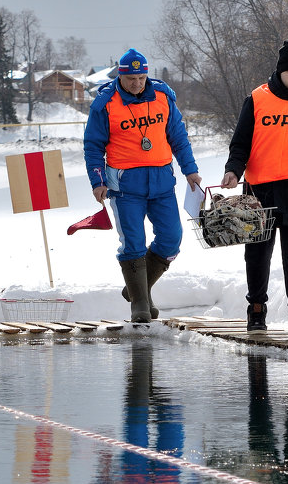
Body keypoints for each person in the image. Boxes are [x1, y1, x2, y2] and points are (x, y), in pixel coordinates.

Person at [220, 40, 288, 338]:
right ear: (280, 70)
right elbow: (241, 143)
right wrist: (233, 170)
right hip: (259, 191)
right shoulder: (257, 100)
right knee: (257, 254)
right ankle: (256, 311)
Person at [84, 48, 202, 323]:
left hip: (162, 182)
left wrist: (190, 170)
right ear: (120, 77)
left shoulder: (163, 97)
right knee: (133, 243)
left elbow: (178, 137)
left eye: (141, 77)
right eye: (131, 79)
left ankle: (138, 288)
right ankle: (140, 304)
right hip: (126, 186)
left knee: (172, 239)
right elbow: (93, 146)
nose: (137, 83)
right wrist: (97, 181)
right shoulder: (106, 103)